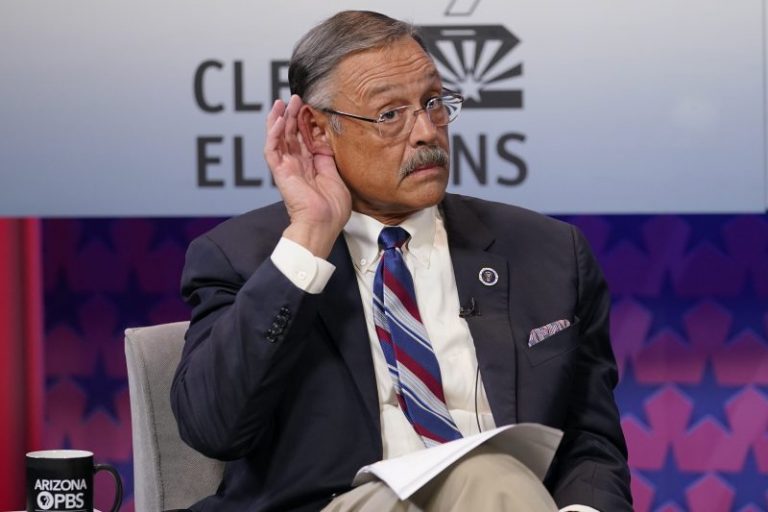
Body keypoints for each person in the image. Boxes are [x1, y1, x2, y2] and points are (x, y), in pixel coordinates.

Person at [171, 10, 632, 512]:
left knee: (493, 477)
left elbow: (590, 442)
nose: (427, 132)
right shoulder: (247, 257)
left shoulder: (547, 252)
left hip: (510, 499)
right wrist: (310, 237)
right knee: (485, 471)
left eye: (433, 103)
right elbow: (213, 427)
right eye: (390, 114)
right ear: (317, 131)